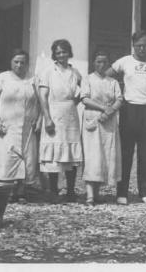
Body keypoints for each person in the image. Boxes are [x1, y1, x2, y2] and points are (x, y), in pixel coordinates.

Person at [109, 31, 146, 205]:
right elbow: (105, 76)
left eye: (145, 45)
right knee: (126, 153)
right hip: (128, 110)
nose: (142, 48)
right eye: (138, 45)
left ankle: (144, 191)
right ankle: (122, 192)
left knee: (145, 154)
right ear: (133, 46)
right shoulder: (124, 61)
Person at [0, 49, 41, 203]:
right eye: (16, 62)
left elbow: (40, 100)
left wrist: (39, 119)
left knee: (27, 157)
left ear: (27, 64)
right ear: (11, 62)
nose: (19, 65)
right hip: (7, 125)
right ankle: (8, 191)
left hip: (26, 126)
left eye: (22, 62)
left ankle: (21, 190)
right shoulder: (3, 77)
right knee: (7, 157)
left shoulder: (33, 79)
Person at [38, 39, 83, 203]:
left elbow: (83, 91)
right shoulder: (49, 71)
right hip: (54, 112)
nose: (62, 55)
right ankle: (53, 190)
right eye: (58, 52)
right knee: (54, 152)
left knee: (70, 152)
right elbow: (42, 97)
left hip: (70, 115)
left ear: (69, 53)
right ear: (54, 55)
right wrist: (47, 118)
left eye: (64, 52)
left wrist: (74, 102)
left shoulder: (75, 72)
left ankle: (71, 191)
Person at [81, 50, 124, 206]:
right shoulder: (87, 79)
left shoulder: (112, 82)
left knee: (105, 155)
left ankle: (97, 193)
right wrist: (102, 109)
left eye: (104, 62)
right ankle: (90, 195)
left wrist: (110, 111)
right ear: (94, 62)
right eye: (98, 61)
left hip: (109, 121)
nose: (101, 65)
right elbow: (84, 98)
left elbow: (119, 99)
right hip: (94, 119)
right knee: (93, 156)